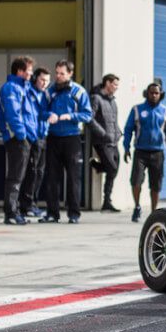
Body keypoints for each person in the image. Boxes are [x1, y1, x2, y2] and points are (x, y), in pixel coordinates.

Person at [40, 60, 92, 224]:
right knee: (52, 178)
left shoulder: (79, 92)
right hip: (53, 138)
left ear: (70, 74)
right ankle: (52, 213)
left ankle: (74, 214)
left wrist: (70, 116)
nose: (58, 76)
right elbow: (40, 111)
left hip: (72, 138)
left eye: (62, 73)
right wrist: (49, 115)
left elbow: (87, 115)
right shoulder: (50, 91)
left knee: (73, 178)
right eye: (57, 73)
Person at [123, 82, 166, 222]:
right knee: (136, 181)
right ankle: (137, 207)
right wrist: (126, 147)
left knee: (156, 185)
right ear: (147, 93)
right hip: (140, 152)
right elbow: (128, 129)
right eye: (151, 92)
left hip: (158, 153)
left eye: (156, 93)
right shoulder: (137, 110)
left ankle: (154, 213)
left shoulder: (165, 111)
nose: (153, 95)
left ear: (160, 94)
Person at [0, 56, 37, 225]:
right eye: (29, 70)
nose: (31, 73)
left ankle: (16, 210)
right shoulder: (11, 88)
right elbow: (13, 115)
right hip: (17, 139)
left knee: (21, 176)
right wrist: (21, 136)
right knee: (15, 176)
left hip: (26, 139)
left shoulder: (24, 88)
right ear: (20, 71)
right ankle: (11, 213)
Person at [19, 67, 51, 218]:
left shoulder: (45, 95)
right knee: (31, 172)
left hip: (43, 136)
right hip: (33, 138)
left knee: (39, 172)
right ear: (35, 79)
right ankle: (26, 205)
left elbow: (42, 114)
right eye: (42, 80)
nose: (45, 83)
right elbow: (29, 116)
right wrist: (31, 135)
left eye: (47, 81)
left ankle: (33, 203)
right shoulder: (28, 92)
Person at [89, 74, 122, 212]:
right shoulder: (96, 98)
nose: (116, 88)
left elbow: (114, 121)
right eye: (115, 84)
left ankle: (97, 166)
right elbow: (89, 119)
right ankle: (106, 201)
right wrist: (103, 133)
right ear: (107, 83)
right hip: (102, 141)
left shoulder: (112, 101)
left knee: (114, 170)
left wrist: (118, 132)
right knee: (112, 168)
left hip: (113, 141)